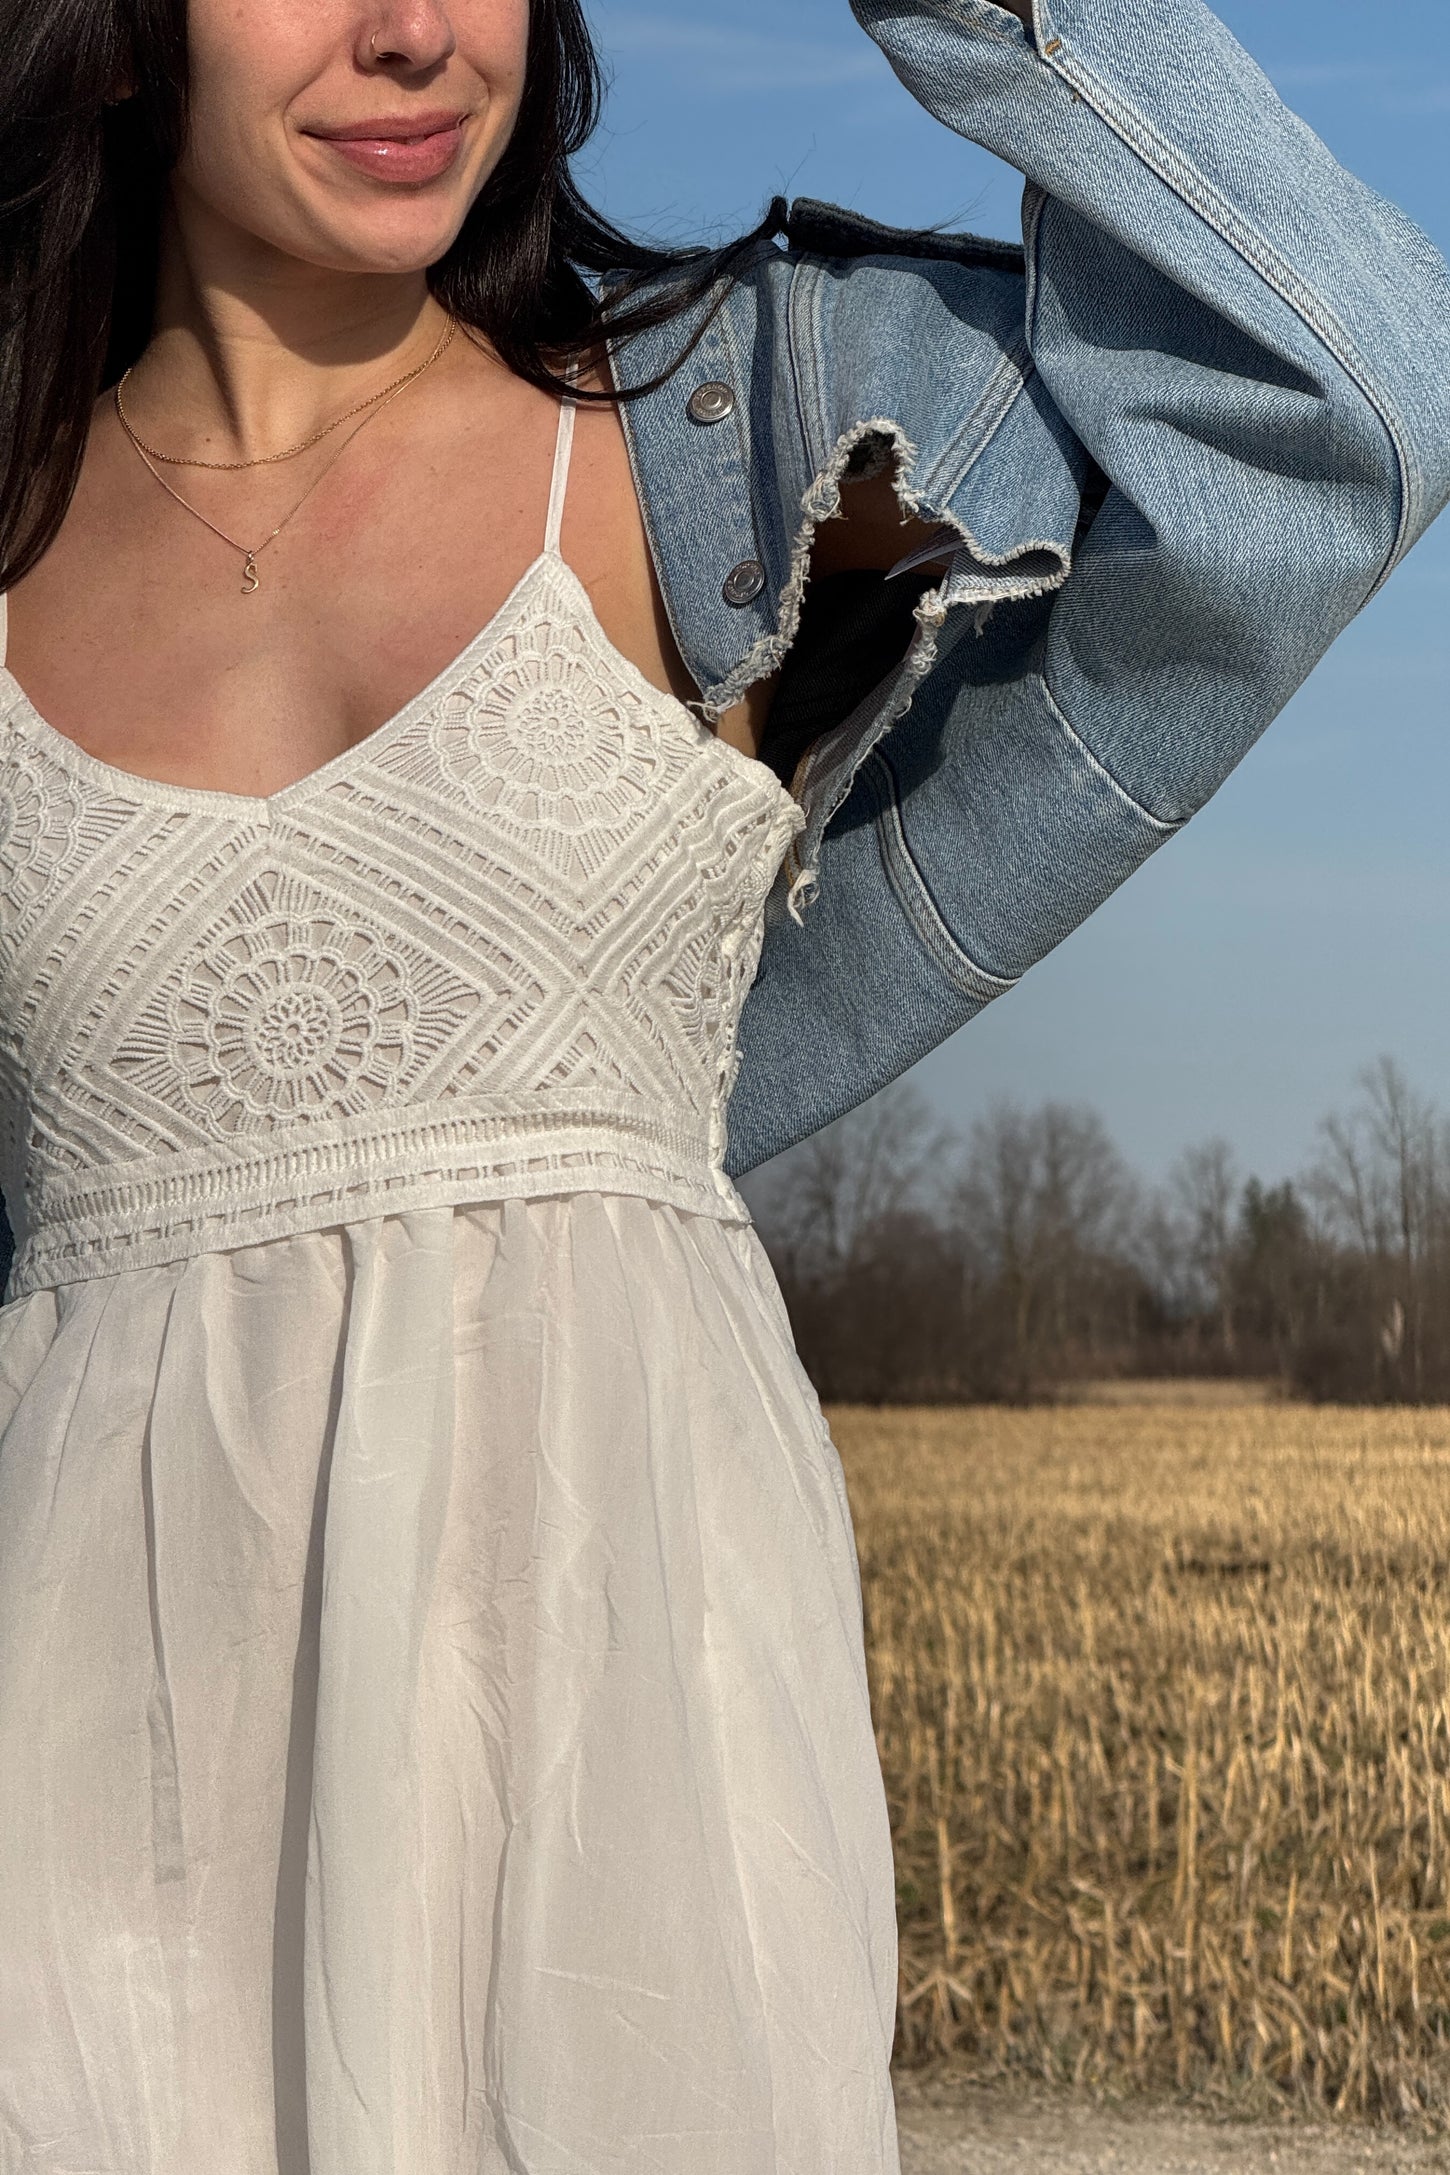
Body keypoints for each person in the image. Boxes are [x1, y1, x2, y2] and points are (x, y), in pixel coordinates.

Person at [0, 0, 1444, 2167]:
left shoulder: (718, 425)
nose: (412, 33)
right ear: (109, 35)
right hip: (84, 1809)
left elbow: (1334, 415)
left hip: (617, 1795)